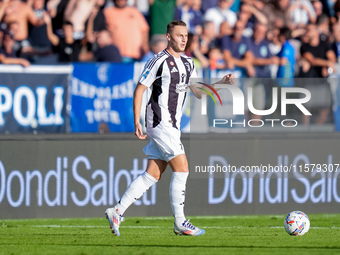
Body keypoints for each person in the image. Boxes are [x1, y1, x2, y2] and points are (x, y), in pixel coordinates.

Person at [105, 20, 234, 237]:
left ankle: (117, 211)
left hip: (173, 126)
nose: (184, 39)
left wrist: (221, 82)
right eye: (179, 35)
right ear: (168, 37)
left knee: (152, 174)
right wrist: (136, 121)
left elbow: (198, 92)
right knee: (182, 168)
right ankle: (180, 222)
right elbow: (139, 90)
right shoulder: (158, 61)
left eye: (186, 35)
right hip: (159, 122)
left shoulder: (189, 62)